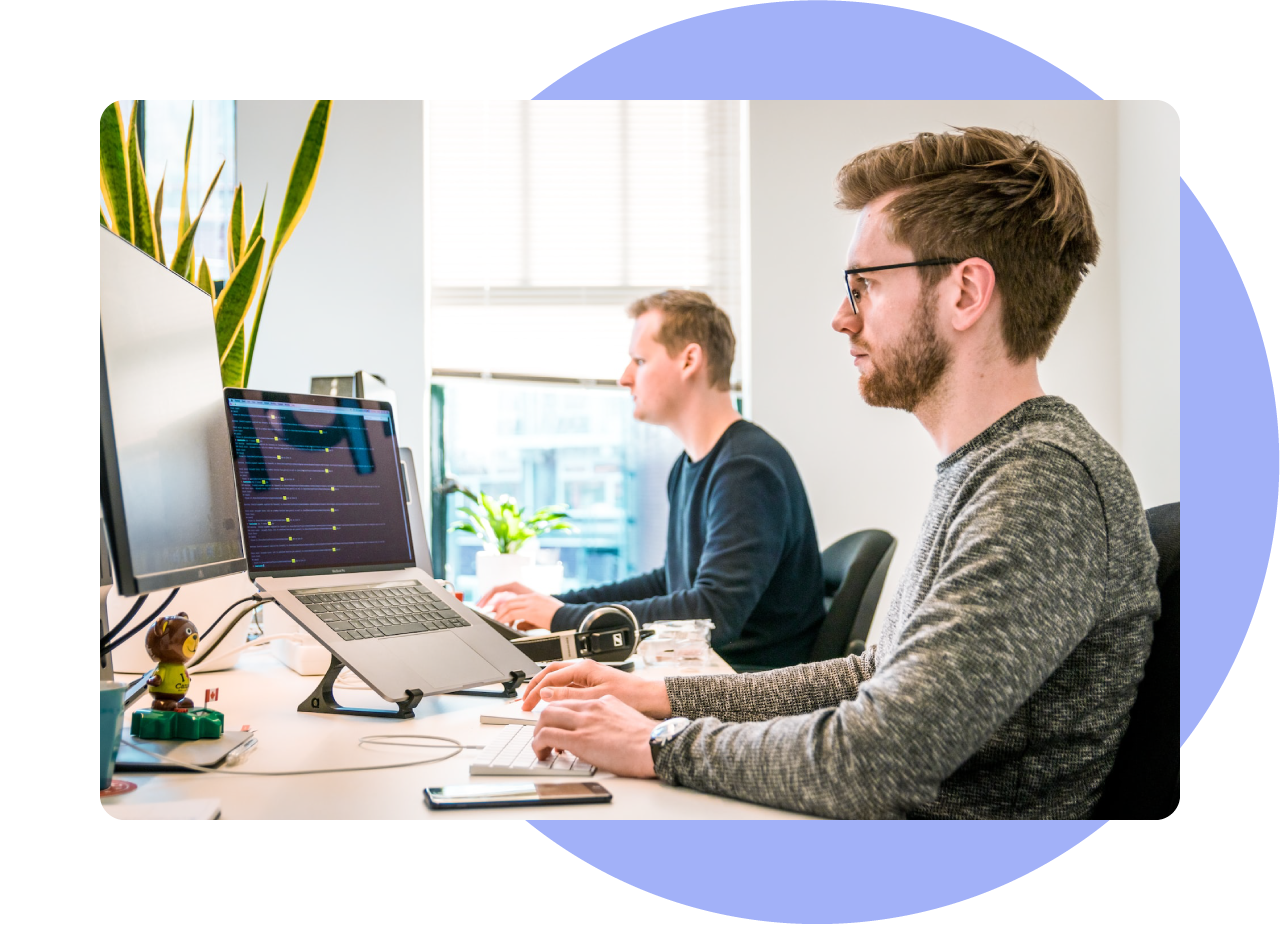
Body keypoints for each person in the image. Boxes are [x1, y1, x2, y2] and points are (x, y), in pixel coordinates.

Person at [516, 127, 1161, 819]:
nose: (840, 317)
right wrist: (662, 696)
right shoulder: (992, 466)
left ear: (966, 291)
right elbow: (871, 676)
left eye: (864, 286)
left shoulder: (1041, 483)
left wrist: (659, 743)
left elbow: (873, 758)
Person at [478, 289, 826, 672]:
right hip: (705, 671)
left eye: (640, 361)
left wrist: (564, 618)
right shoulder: (691, 465)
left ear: (689, 360)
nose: (624, 378)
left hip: (746, 687)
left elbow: (713, 615)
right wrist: (555, 604)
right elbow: (670, 582)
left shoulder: (747, 469)